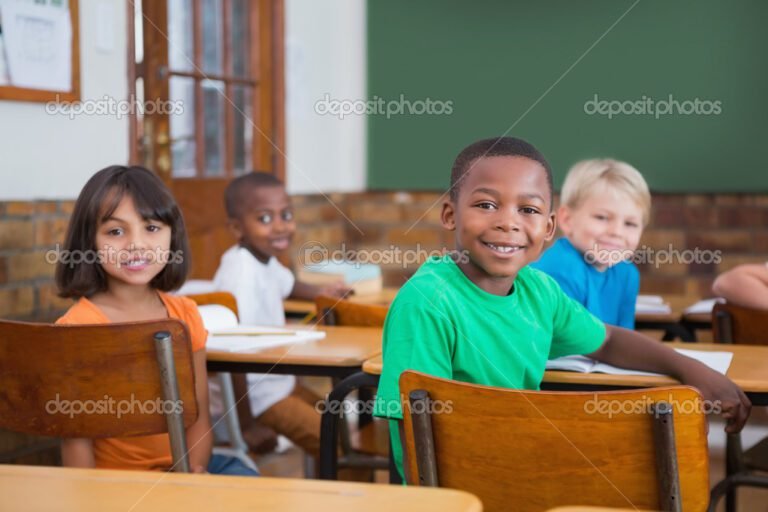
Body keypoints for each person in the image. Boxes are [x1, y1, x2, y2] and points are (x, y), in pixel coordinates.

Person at [373, 137, 751, 478]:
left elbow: (606, 341)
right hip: (467, 485)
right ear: (450, 215)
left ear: (550, 227)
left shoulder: (539, 291)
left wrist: (692, 369)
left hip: (534, 468)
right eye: (486, 205)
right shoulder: (427, 303)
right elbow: (417, 430)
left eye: (529, 210)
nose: (508, 222)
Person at [55, 165, 257, 475]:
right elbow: (75, 442)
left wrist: (193, 472)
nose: (136, 245)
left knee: (248, 477)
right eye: (115, 231)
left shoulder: (186, 314)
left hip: (185, 470)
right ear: (89, 243)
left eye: (151, 228)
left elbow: (199, 416)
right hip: (114, 485)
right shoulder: (76, 328)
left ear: (171, 235)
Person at [213, 171, 348, 458]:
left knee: (338, 426)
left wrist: (324, 292)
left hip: (279, 384)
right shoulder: (240, 275)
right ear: (237, 228)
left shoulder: (263, 259)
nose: (280, 227)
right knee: (335, 447)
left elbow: (288, 284)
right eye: (264, 218)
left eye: (286, 215)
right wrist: (245, 425)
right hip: (257, 398)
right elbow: (228, 352)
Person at [532, 159, 649, 328]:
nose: (617, 232)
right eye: (602, 217)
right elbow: (569, 345)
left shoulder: (627, 273)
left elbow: (625, 338)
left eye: (630, 224)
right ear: (567, 219)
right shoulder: (560, 270)